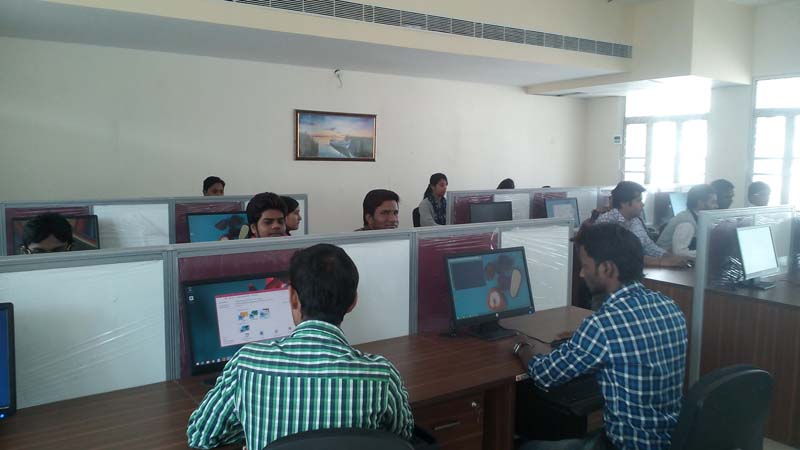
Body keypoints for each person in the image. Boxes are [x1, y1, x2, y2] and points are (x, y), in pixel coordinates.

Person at [187, 244, 414, 449]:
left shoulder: (246, 364)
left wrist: (250, 428)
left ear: (293, 298)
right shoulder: (382, 375)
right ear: (353, 302)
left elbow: (200, 435)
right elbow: (401, 437)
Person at [514, 223, 687, 450]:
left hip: (625, 446)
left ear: (607, 269)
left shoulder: (603, 326)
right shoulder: (669, 307)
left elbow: (543, 374)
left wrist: (522, 347)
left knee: (527, 447)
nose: (581, 273)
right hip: (669, 441)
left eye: (585, 266)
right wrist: (581, 339)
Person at [595, 181, 687, 267]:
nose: (643, 204)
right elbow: (620, 255)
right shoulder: (606, 221)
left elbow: (648, 246)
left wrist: (669, 256)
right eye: (638, 200)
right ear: (624, 203)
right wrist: (660, 261)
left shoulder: (635, 220)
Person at [656, 184, 718, 258]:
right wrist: (707, 253)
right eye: (713, 202)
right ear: (700, 203)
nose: (716, 206)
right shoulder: (687, 223)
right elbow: (679, 252)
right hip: (666, 261)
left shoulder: (697, 217)